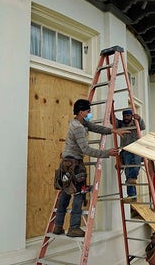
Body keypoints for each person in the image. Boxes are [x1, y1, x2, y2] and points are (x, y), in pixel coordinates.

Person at [54, 99, 127, 237]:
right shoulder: (78, 128)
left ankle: (58, 226)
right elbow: (86, 149)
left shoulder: (79, 122)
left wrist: (113, 131)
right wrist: (107, 153)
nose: (90, 113)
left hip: (66, 163)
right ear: (81, 112)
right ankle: (73, 228)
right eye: (88, 111)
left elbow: (94, 127)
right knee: (78, 193)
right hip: (74, 164)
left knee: (65, 192)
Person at [116, 109, 145, 201]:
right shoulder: (121, 124)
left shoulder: (135, 123)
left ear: (131, 116)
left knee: (135, 165)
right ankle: (132, 196)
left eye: (128, 116)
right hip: (126, 150)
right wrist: (111, 109)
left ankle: (133, 183)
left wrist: (139, 118)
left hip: (136, 149)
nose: (126, 118)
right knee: (128, 171)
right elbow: (113, 121)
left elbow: (143, 126)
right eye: (124, 116)